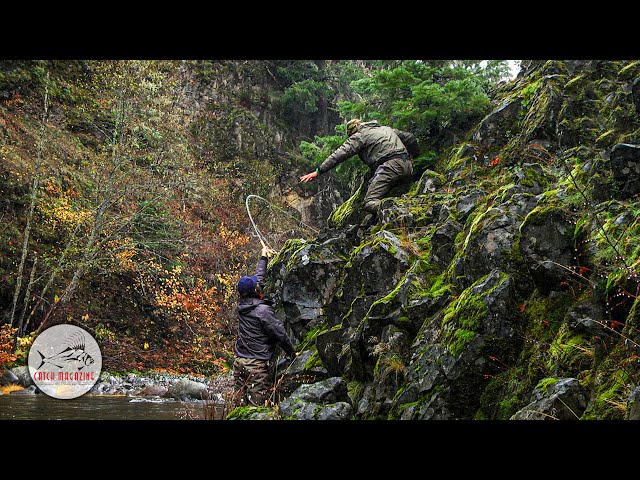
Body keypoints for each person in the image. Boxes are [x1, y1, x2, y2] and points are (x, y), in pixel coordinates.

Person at [299, 118, 420, 217]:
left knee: (370, 202)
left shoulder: (360, 136)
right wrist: (415, 156)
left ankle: (399, 211)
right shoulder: (387, 129)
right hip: (407, 166)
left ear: (353, 131)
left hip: (390, 167)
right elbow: (410, 138)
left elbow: (339, 154)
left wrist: (318, 171)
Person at [232, 244, 297, 407]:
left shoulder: (243, 305)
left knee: (239, 409)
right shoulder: (262, 311)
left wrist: (263, 257)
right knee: (256, 409)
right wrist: (291, 353)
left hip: (239, 362)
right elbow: (279, 333)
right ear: (255, 290)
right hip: (256, 366)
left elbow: (258, 279)